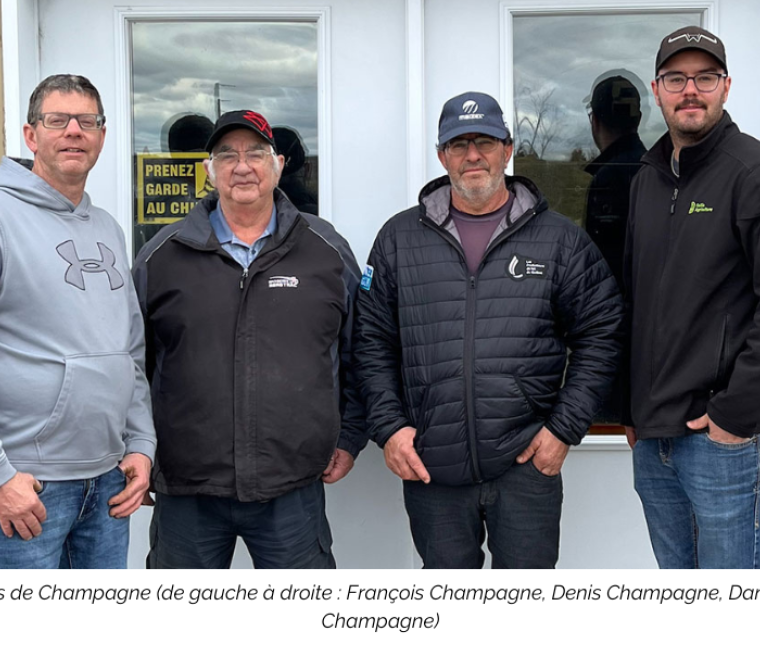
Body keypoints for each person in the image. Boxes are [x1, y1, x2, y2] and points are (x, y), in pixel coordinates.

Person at [354, 91, 624, 570]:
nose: (472, 155)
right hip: (431, 466)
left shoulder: (559, 239)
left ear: (508, 148)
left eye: (484, 141)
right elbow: (371, 341)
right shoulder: (398, 239)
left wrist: (563, 429)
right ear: (442, 155)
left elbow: (601, 332)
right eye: (458, 144)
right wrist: (390, 429)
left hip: (525, 465)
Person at [134, 109, 366, 570]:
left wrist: (352, 434)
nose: (243, 166)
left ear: (278, 164)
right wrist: (138, 450)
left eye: (256, 153)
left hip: (291, 488)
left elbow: (359, 350)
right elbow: (133, 364)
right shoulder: (161, 255)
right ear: (208, 170)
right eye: (227, 154)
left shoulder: (326, 250)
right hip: (187, 489)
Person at [0, 74, 156, 571]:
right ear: (30, 135)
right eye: (57, 120)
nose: (73, 131)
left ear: (102, 137)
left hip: (108, 481)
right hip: (28, 488)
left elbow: (128, 351)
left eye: (87, 121)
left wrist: (141, 444)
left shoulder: (107, 227)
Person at [625, 26, 760, 570]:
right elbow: (637, 298)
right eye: (676, 78)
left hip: (718, 438)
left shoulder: (749, 172)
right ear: (657, 91)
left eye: (704, 77)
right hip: (653, 436)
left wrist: (736, 411)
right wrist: (629, 405)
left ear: (726, 87)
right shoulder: (648, 178)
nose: (690, 91)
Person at [585, 74, 647, 290]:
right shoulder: (654, 171)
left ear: (595, 121)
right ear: (638, 119)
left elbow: (603, 264)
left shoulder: (607, 179)